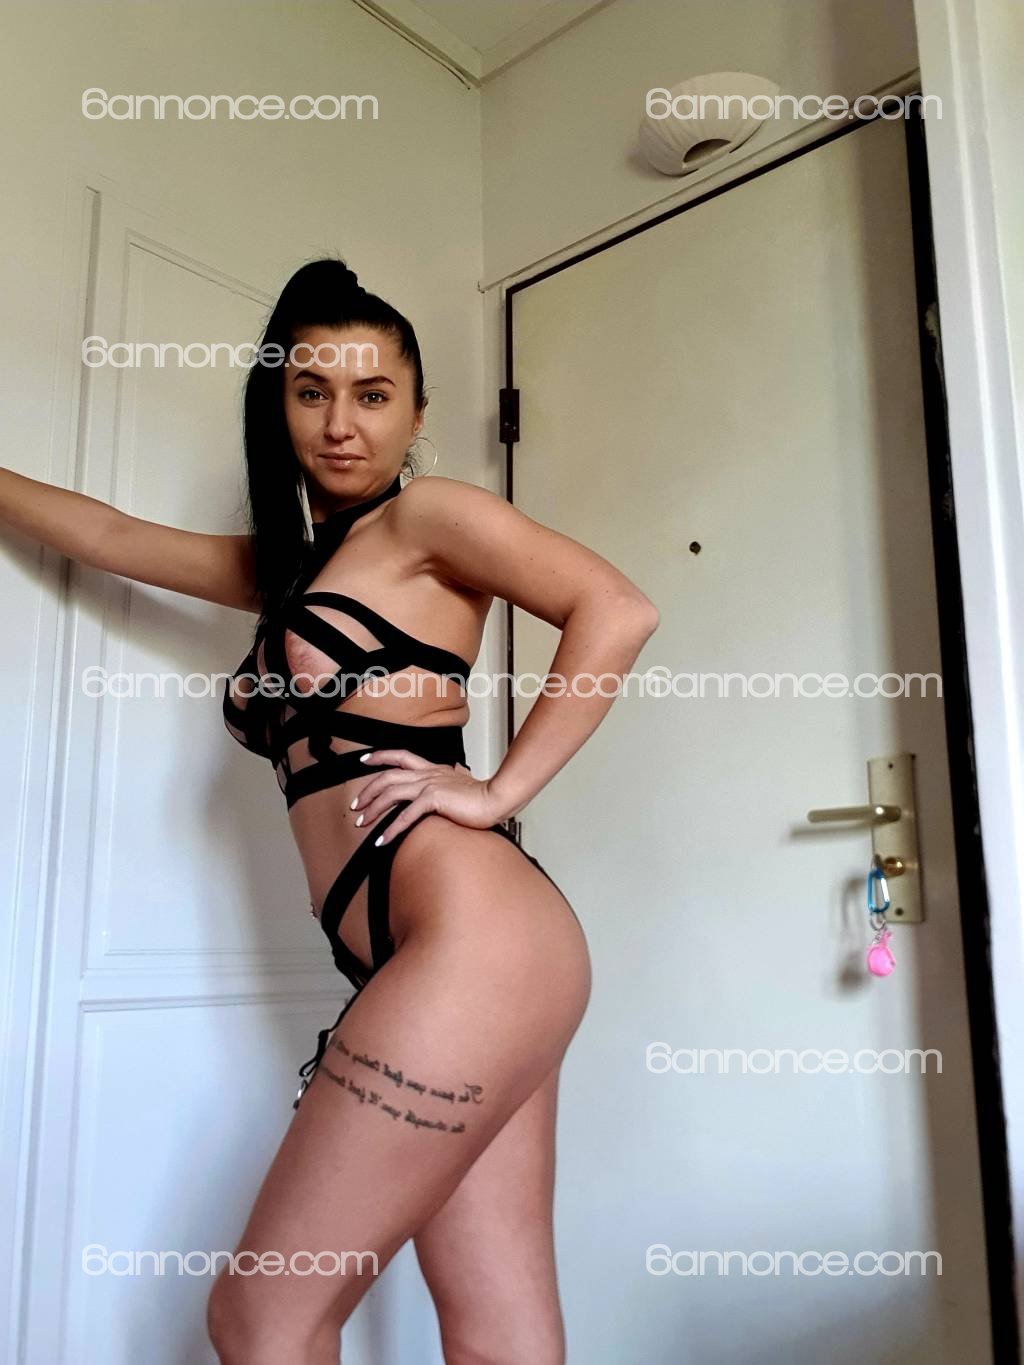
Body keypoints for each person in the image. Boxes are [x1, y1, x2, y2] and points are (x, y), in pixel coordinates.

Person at [1, 257, 659, 1364]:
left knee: (262, 1315)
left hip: (476, 942)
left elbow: (616, 609)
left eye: (372, 394)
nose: (341, 424)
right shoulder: (295, 568)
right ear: (279, 404)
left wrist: (500, 787)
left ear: (416, 411)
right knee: (494, 1322)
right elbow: (109, 538)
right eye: (311, 392)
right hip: (457, 957)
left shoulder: (429, 518)